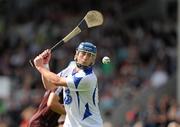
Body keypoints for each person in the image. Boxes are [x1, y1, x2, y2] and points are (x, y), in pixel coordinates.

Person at [33, 42, 103, 127]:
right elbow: (50, 86)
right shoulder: (69, 70)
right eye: (83, 53)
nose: (85, 57)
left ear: (93, 60)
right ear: (76, 54)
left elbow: (56, 81)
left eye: (89, 55)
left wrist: (40, 67)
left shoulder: (88, 77)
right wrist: (45, 64)